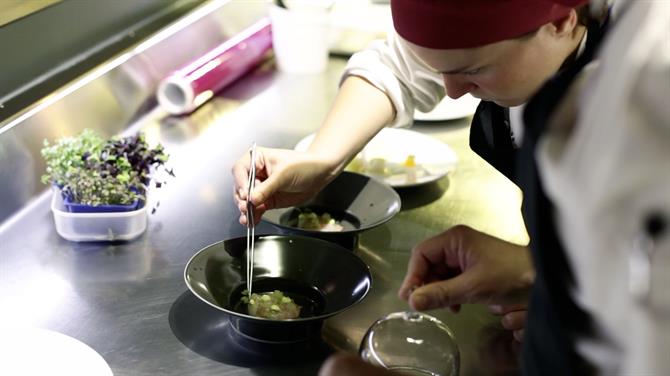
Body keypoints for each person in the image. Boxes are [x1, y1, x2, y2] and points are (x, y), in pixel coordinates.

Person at [232, 0, 608, 373]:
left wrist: (575, 294)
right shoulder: (517, 42)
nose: (453, 91)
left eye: (475, 70)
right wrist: (321, 161)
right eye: (439, 70)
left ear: (560, 23)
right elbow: (398, 66)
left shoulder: (646, 84)